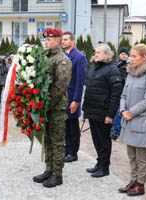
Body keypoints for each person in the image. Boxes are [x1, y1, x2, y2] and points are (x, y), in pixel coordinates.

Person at [118, 44, 146, 196]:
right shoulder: (130, 73)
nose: (131, 59)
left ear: (145, 57)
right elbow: (123, 95)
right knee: (131, 155)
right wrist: (123, 110)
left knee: (141, 157)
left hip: (141, 121)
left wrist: (132, 112)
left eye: (134, 56)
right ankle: (133, 180)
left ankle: (140, 185)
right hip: (128, 120)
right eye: (131, 55)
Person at [32, 28, 72, 188]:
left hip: (56, 108)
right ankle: (49, 169)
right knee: (47, 140)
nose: (46, 42)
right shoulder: (44, 58)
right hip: (45, 107)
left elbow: (60, 86)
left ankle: (57, 174)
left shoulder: (62, 60)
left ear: (57, 41)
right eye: (45, 39)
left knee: (56, 142)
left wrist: (46, 104)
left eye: (49, 40)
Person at [83, 43, 122, 178]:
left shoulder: (112, 69)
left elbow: (116, 95)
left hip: (103, 112)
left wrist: (110, 115)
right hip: (93, 110)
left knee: (104, 141)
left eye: (99, 52)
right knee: (96, 140)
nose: (96, 54)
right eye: (95, 52)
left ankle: (104, 167)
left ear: (107, 54)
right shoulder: (94, 67)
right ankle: (99, 163)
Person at [61, 31, 87, 163]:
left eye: (66, 39)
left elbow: (80, 81)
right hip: (64, 97)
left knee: (72, 126)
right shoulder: (65, 55)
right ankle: (67, 148)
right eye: (62, 39)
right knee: (66, 125)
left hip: (72, 98)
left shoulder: (79, 57)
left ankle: (73, 152)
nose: (63, 42)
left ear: (73, 41)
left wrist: (76, 100)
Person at [110, 47, 130, 140]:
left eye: (125, 54)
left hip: (124, 93)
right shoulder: (115, 65)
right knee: (114, 112)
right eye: (122, 54)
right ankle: (113, 129)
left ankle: (116, 131)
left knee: (119, 113)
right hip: (115, 92)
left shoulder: (130, 66)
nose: (124, 55)